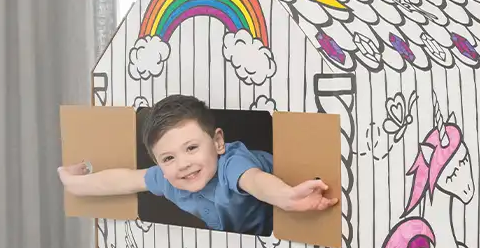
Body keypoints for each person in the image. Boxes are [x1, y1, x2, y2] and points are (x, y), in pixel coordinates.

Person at [57, 95, 337, 235]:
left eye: (191, 148)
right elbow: (125, 179)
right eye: (168, 158)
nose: (183, 164)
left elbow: (254, 181)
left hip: (281, 219)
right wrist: (75, 184)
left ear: (217, 142)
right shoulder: (170, 179)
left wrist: (287, 197)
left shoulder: (231, 163)